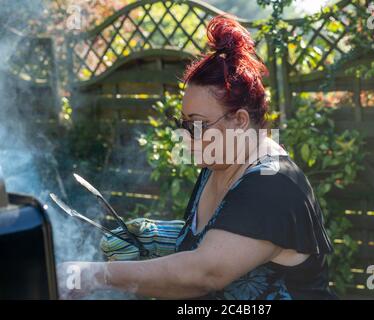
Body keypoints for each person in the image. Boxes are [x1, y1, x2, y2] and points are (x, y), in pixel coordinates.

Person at [59, 14, 337, 300]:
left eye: (197, 125)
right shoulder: (219, 164)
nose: (186, 136)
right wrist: (163, 238)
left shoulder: (273, 185)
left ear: (240, 121)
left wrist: (92, 275)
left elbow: (204, 273)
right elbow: (223, 236)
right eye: (184, 124)